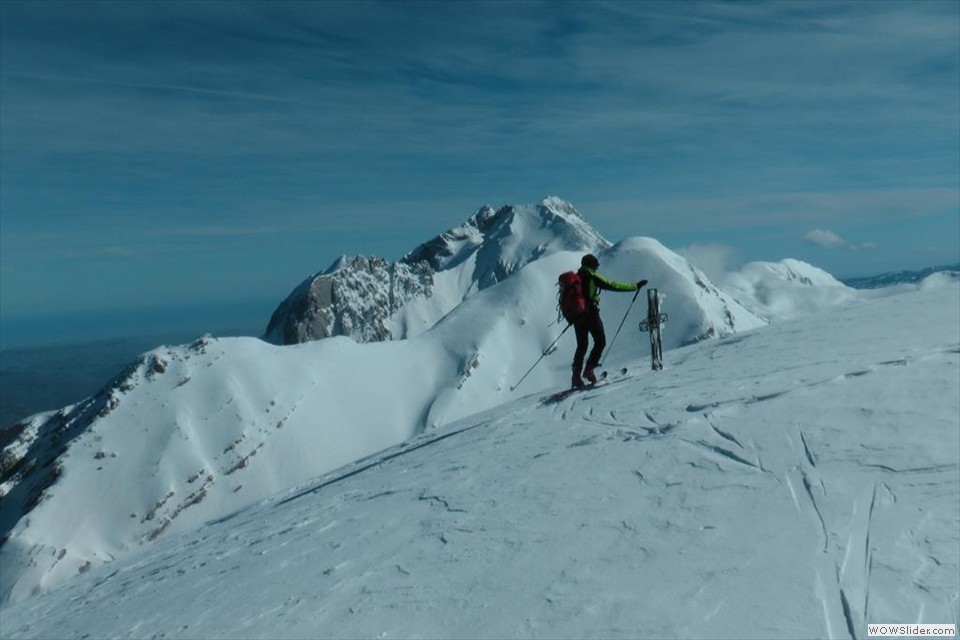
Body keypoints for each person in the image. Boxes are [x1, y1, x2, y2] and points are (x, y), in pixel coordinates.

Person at [571, 254, 647, 388]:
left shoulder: (575, 278)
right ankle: (589, 370)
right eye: (596, 265)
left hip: (577, 316)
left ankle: (576, 377)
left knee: (582, 346)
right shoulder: (592, 276)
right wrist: (634, 286)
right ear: (592, 265)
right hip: (591, 313)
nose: (597, 268)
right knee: (600, 341)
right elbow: (613, 285)